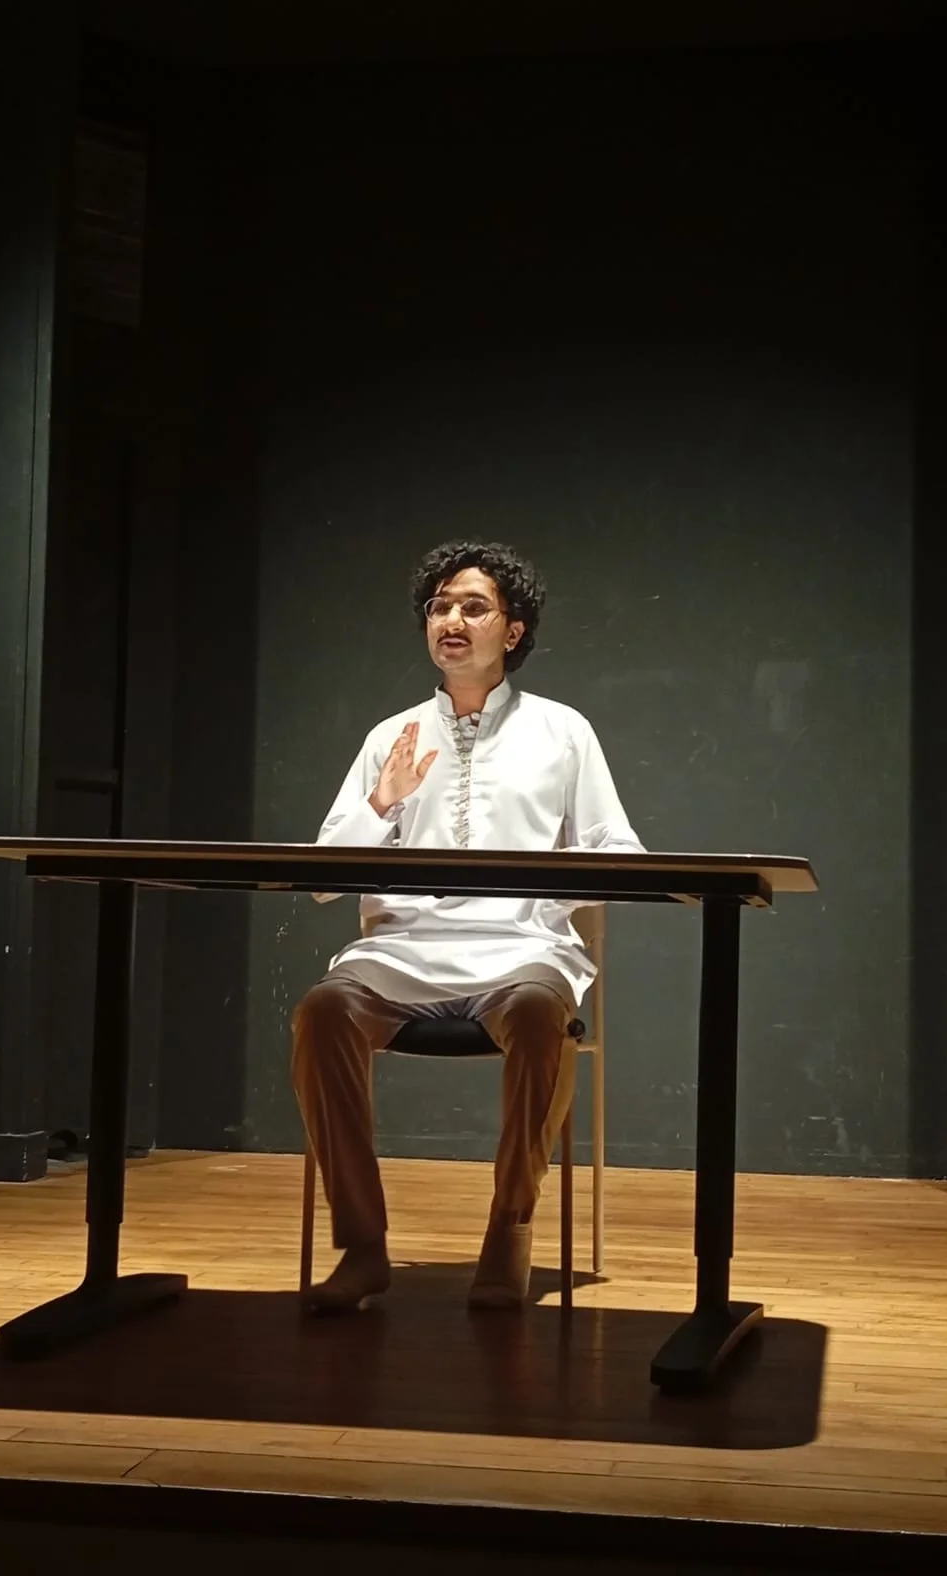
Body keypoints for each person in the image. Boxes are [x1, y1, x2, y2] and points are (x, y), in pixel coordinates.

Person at [291, 538, 644, 1314]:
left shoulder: (562, 732)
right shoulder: (392, 735)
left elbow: (617, 847)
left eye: (473, 607)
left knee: (539, 1015)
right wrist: (381, 802)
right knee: (322, 1012)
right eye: (440, 606)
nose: (452, 619)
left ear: (512, 632)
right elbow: (321, 876)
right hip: (399, 953)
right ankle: (363, 1246)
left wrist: (572, 885)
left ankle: (509, 1232)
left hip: (522, 953)